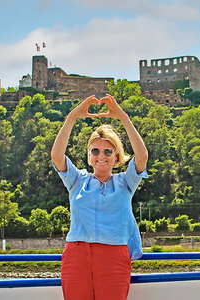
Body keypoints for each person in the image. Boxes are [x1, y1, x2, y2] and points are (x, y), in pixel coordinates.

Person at [51, 94, 148, 300]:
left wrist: (123, 118)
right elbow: (57, 156)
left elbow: (142, 156)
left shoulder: (125, 183)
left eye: (107, 151)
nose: (101, 155)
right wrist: (72, 117)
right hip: (76, 256)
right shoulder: (77, 180)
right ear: (89, 156)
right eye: (95, 150)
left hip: (114, 256)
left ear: (117, 156)